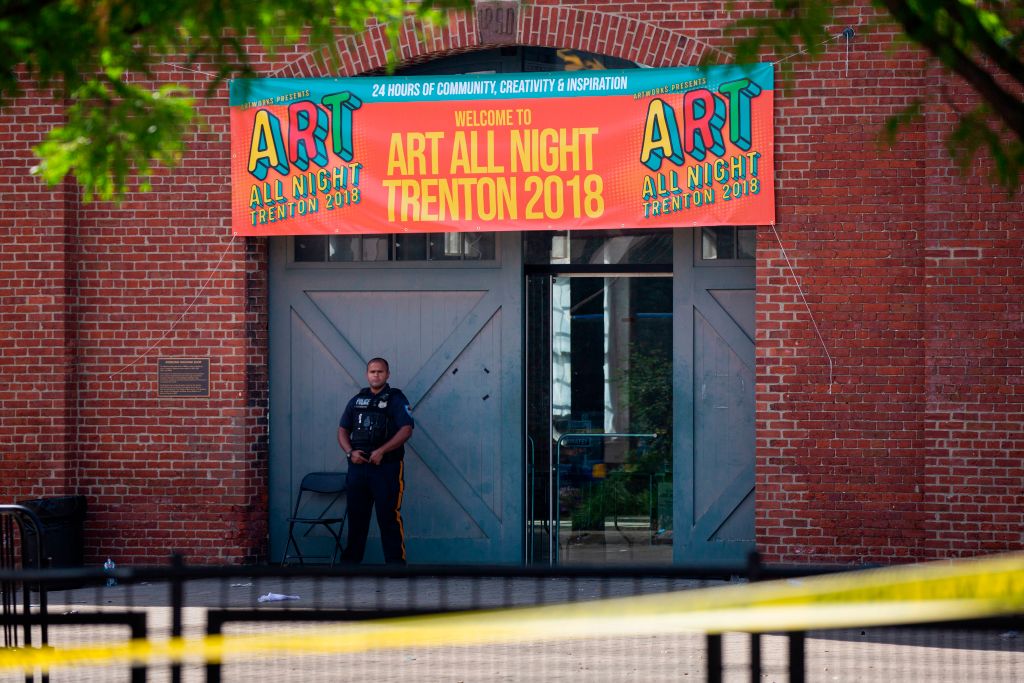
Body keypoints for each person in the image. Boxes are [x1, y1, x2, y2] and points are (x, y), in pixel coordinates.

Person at [337, 357, 414, 565]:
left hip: (386, 468)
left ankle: (395, 565)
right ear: (367, 374)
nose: (376, 375)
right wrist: (349, 452)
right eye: (372, 372)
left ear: (387, 374)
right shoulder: (357, 400)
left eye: (380, 372)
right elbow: (343, 429)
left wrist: (382, 450)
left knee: (388, 517)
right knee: (356, 518)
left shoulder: (396, 399)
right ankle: (350, 566)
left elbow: (406, 429)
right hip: (358, 468)